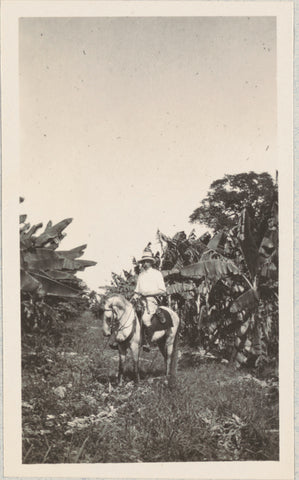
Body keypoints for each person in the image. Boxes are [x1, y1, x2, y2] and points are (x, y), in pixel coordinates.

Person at [132, 245, 166, 351]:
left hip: (151, 300)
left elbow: (163, 290)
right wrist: (134, 297)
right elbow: (137, 290)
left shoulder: (157, 274)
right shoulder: (141, 275)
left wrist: (147, 293)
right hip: (140, 301)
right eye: (143, 261)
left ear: (151, 262)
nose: (144, 263)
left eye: (147, 261)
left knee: (145, 319)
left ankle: (150, 342)